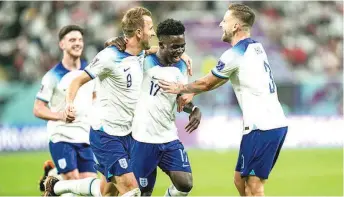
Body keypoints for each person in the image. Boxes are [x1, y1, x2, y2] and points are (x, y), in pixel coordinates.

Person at [158, 3, 288, 196]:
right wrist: (193, 93)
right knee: (239, 180)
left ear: (235, 26)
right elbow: (222, 78)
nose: (221, 24)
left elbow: (208, 83)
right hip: (270, 123)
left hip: (263, 126)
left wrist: (181, 88)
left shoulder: (234, 54)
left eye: (225, 21)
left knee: (254, 187)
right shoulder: (256, 47)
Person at [42, 7, 156, 197]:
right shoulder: (109, 56)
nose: (153, 33)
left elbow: (156, 50)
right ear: (138, 32)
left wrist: (181, 54)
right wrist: (69, 102)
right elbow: (77, 80)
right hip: (106, 134)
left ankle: (56, 187)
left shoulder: (140, 54)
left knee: (106, 192)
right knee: (132, 190)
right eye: (150, 28)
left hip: (127, 135)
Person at [129, 19, 201, 196]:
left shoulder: (182, 66)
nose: (179, 51)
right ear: (161, 44)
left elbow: (179, 97)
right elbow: (122, 48)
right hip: (143, 138)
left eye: (182, 46)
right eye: (174, 46)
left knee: (185, 184)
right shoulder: (143, 62)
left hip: (168, 136)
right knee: (144, 192)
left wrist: (193, 109)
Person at [33, 25, 98, 192]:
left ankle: (52, 175)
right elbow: (38, 109)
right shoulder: (52, 76)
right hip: (62, 136)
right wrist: (61, 115)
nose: (77, 43)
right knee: (72, 181)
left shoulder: (90, 71)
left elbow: (94, 98)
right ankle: (54, 184)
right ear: (62, 44)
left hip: (85, 136)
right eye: (72, 40)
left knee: (89, 185)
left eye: (80, 40)